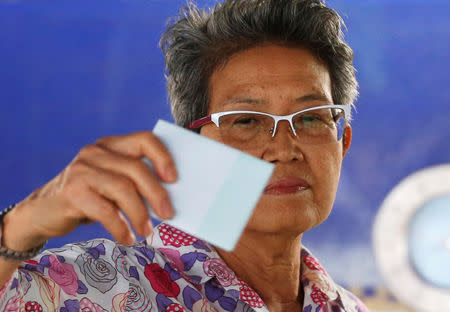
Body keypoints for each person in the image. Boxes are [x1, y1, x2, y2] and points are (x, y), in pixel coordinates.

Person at [0, 0, 370, 311]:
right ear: (190, 147)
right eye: (245, 121)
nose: (284, 149)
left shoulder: (348, 307)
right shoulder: (99, 286)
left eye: (309, 118)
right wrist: (17, 229)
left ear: (343, 142)